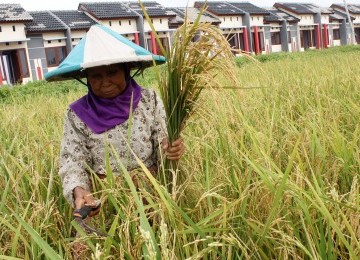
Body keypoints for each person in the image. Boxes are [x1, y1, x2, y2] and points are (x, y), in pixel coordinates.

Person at [45, 24, 185, 219]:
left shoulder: (149, 100)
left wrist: (170, 149)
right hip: (103, 200)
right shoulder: (77, 114)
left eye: (112, 73)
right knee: (90, 247)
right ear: (87, 78)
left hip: (150, 193)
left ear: (126, 70)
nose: (105, 82)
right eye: (96, 76)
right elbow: (72, 161)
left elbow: (161, 141)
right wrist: (79, 190)